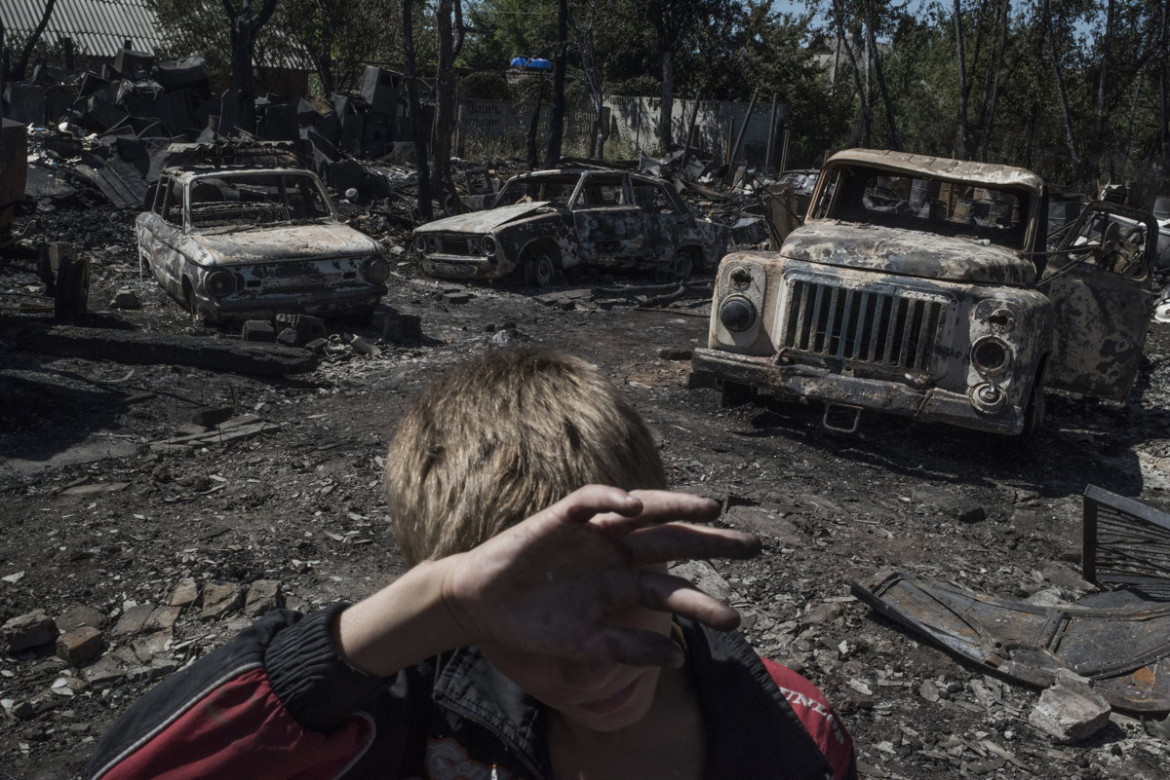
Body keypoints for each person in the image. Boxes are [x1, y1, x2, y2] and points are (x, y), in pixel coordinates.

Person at [88, 346, 856, 780]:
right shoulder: (409, 711)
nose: (589, 665)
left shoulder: (792, 729)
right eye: (530, 621)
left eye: (608, 589)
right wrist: (432, 611)